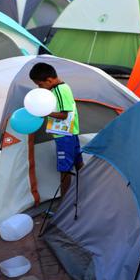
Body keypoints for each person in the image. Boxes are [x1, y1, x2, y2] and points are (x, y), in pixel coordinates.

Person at [29, 63, 82, 197]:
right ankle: (85, 192)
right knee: (78, 164)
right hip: (69, 134)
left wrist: (45, 112)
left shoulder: (59, 90)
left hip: (64, 136)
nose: (39, 88)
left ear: (49, 80)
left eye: (40, 84)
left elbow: (64, 114)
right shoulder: (60, 88)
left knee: (65, 170)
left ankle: (64, 202)